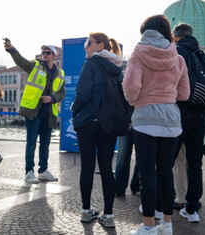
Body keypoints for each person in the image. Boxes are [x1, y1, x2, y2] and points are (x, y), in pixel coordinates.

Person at [124, 15, 190, 235]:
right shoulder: (178, 57)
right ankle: (167, 224)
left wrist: (137, 102)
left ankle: (148, 226)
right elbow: (184, 93)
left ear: (145, 31)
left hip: (145, 120)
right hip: (171, 121)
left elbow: (131, 87)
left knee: (147, 174)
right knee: (165, 172)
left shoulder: (138, 54)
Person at [71, 32, 123, 228]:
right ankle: (108, 215)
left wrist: (74, 110)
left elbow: (82, 94)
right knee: (107, 169)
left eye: (89, 43)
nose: (85, 47)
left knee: (87, 166)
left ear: (101, 46)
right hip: (108, 123)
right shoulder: (117, 67)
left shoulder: (91, 64)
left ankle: (86, 211)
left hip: (88, 123)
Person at [171, 22, 205, 223]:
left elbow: (170, 82)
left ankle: (156, 205)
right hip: (201, 115)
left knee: (168, 159)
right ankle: (192, 208)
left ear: (176, 37)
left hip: (181, 111)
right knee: (195, 163)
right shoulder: (203, 56)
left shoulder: (177, 52)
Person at [4, 41, 65, 183]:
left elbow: (62, 93)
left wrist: (52, 98)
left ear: (54, 56)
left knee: (45, 144)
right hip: (33, 112)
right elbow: (20, 61)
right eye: (43, 52)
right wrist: (11, 49)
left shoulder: (60, 74)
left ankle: (43, 170)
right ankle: (29, 171)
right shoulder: (35, 66)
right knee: (31, 143)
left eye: (48, 52)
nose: (44, 54)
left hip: (49, 114)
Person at [114, 130, 140, 196]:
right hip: (126, 124)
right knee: (123, 155)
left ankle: (136, 185)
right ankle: (118, 188)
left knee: (141, 157)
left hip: (142, 124)